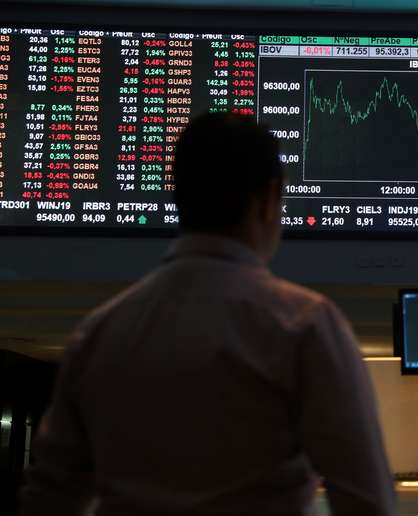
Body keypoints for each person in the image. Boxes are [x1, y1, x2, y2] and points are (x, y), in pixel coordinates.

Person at [20, 113, 395, 516]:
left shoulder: (97, 333)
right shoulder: (306, 325)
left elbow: (49, 500)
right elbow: (367, 502)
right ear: (268, 200)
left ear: (178, 195)